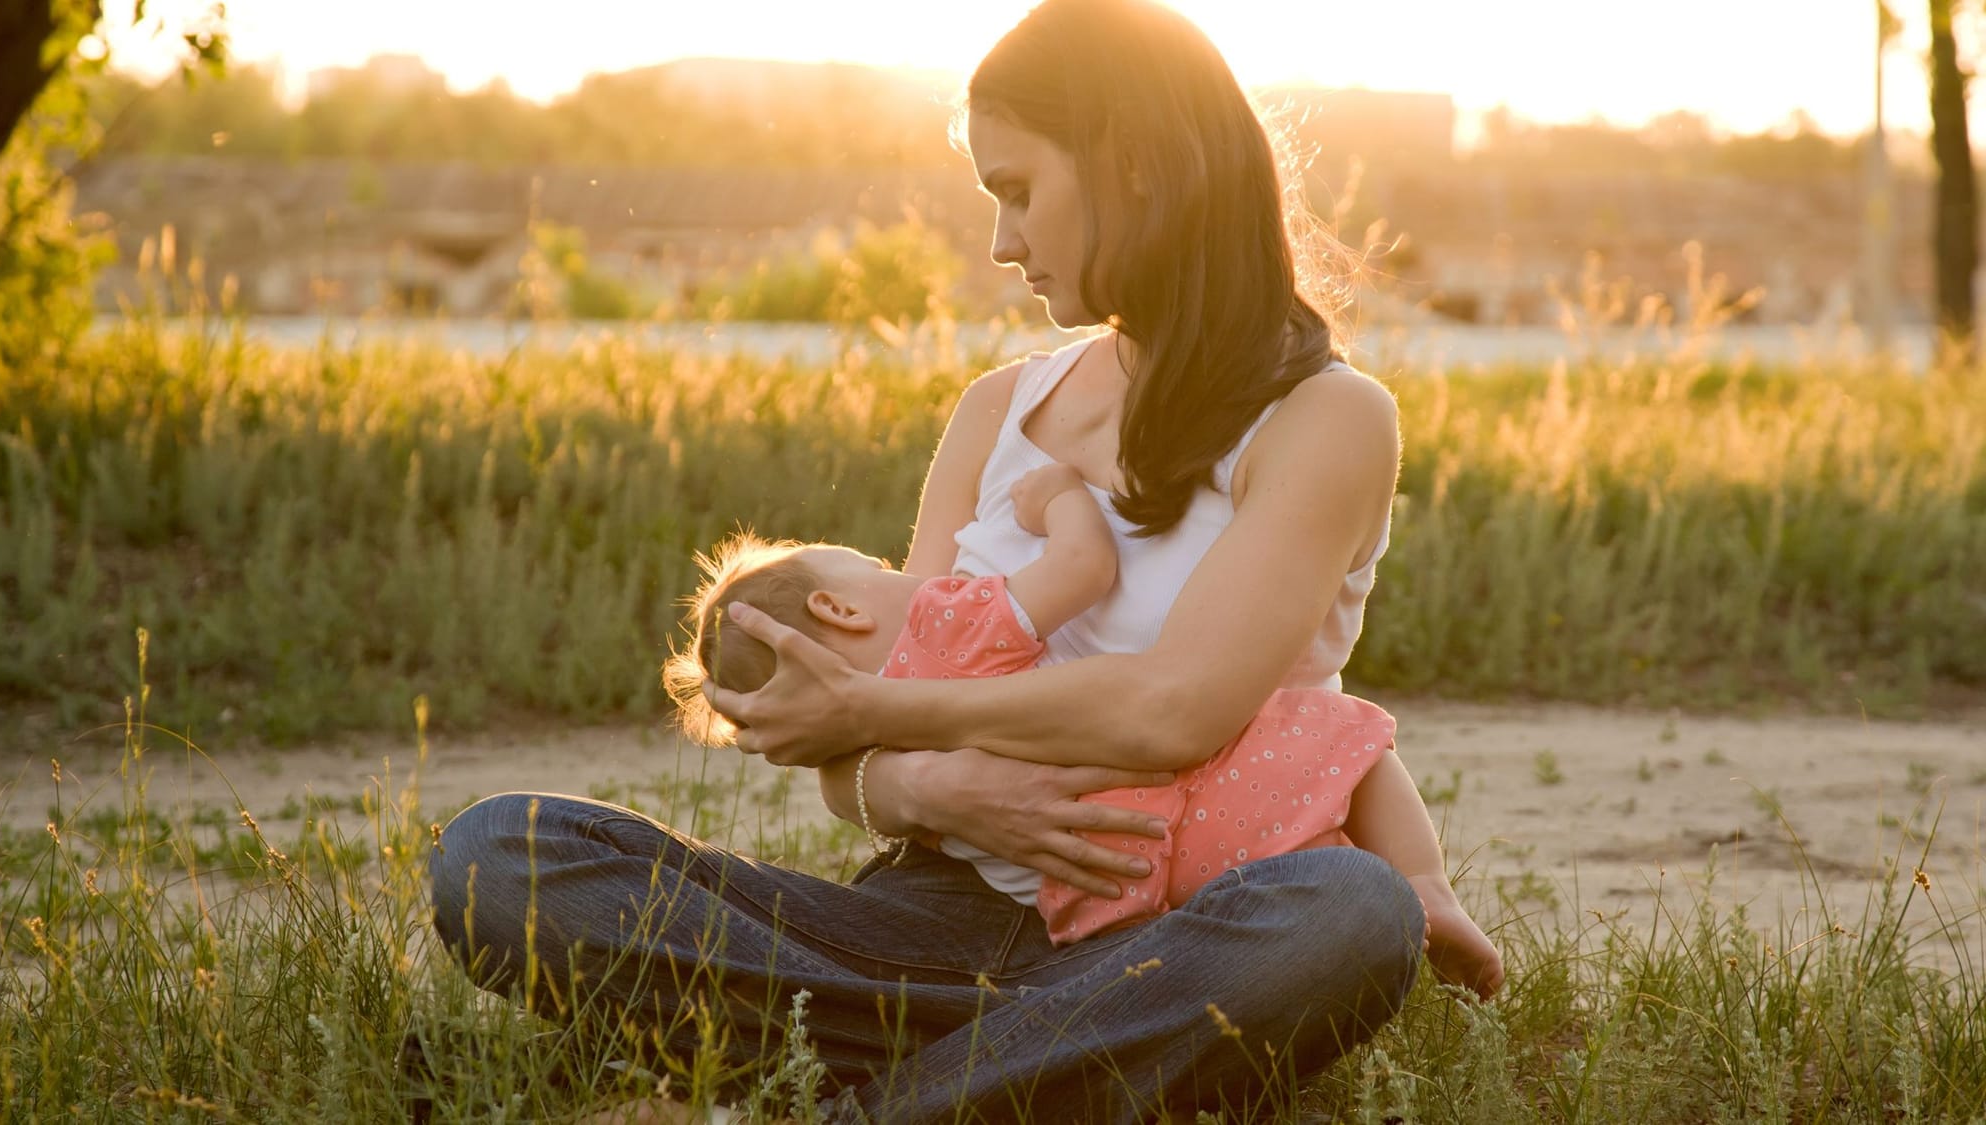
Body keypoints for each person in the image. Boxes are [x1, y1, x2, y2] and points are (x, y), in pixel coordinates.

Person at [430, 1, 1502, 1120]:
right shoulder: (998, 409)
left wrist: (878, 726)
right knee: (502, 854)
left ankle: (865, 1080)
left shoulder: (1324, 418)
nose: (1001, 239)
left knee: (1345, 913)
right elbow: (863, 751)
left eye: (1017, 190)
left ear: (1133, 167)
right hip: (916, 926)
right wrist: (920, 779)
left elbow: (1172, 712)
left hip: (1167, 937)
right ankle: (1013, 1074)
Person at [662, 474, 1485, 954]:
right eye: (872, 567)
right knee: (1346, 751)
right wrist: (1059, 496)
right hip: (1186, 787)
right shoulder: (946, 620)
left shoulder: (873, 725)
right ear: (840, 610)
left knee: (1318, 899)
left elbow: (855, 781)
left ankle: (1015, 1048)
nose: (902, 571)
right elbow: (1082, 568)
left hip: (1102, 904)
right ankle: (1426, 889)